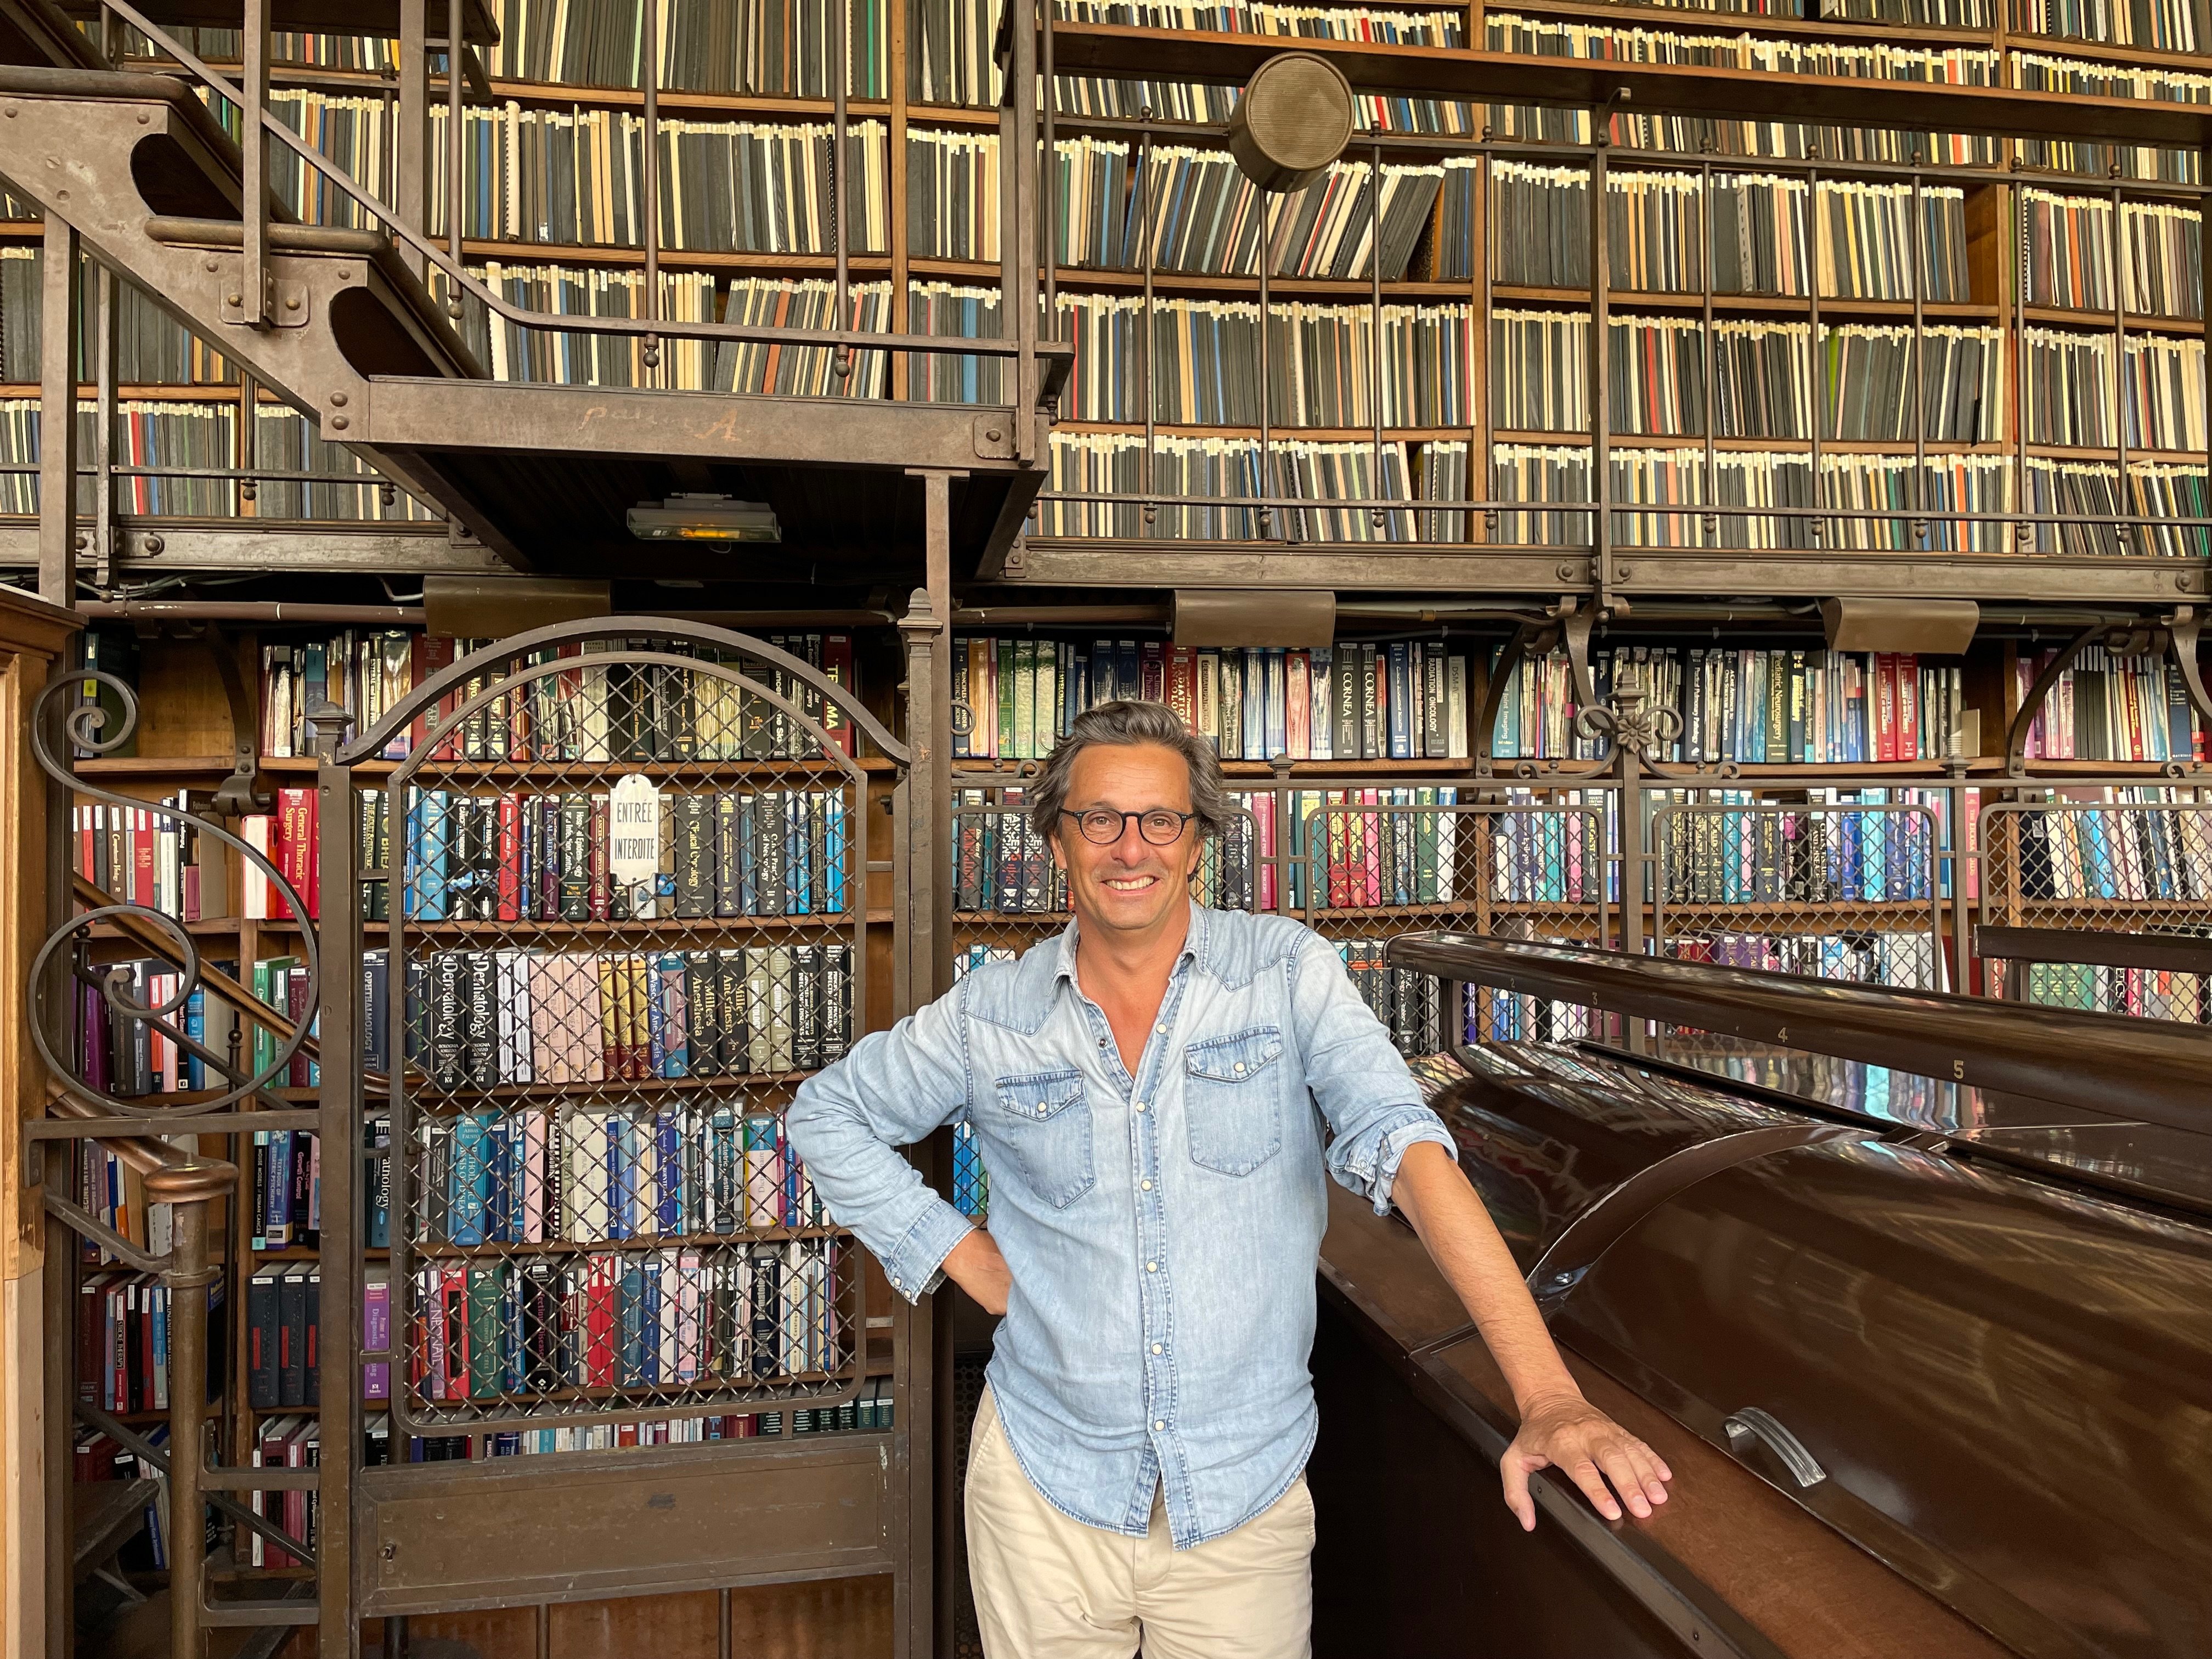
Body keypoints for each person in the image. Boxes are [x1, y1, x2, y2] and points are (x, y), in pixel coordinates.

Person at [787, 699, 1672, 1659]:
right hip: (1042, 1490)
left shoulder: (1287, 974)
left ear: (1198, 841)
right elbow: (826, 1114)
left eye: (1161, 819)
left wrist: (1549, 1397)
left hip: (1241, 1506)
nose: (1132, 848)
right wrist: (960, 1253)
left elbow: (1408, 1151)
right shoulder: (986, 1015)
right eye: (1100, 819)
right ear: (1057, 839)